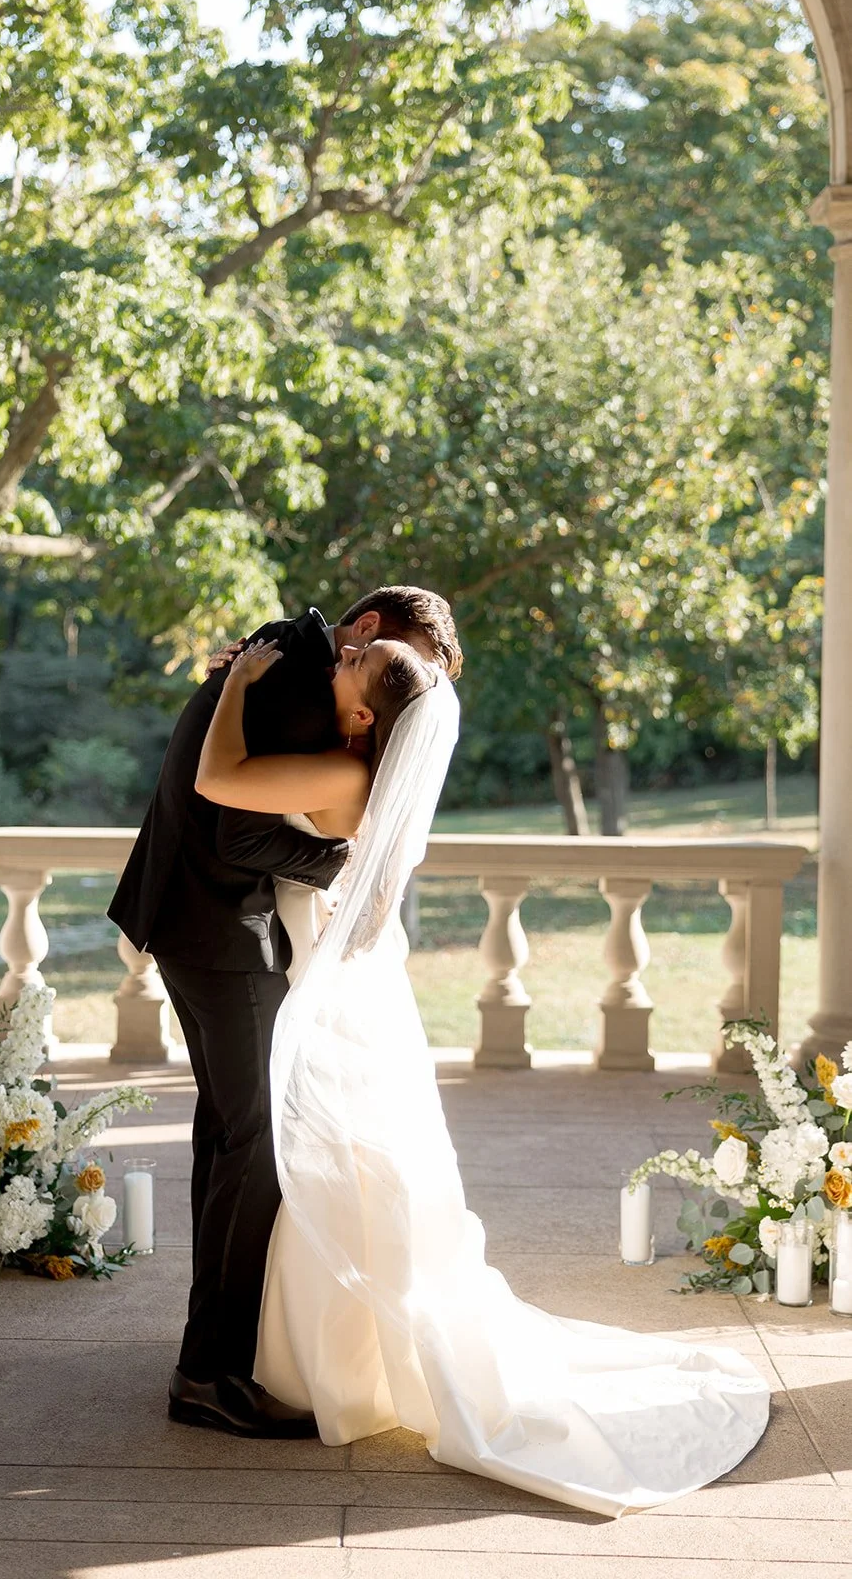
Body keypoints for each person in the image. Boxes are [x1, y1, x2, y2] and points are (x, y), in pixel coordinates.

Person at [198, 643, 771, 1518]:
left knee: (344, 1151)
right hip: (342, 965)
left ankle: (338, 1364)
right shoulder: (366, 772)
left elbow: (217, 780)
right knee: (351, 1150)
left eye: (356, 660)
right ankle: (328, 1354)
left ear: (365, 715)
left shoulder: (343, 776)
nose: (341, 653)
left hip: (326, 970)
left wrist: (236, 684)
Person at [107, 586, 462, 1440]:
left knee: (232, 1132)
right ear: (367, 628)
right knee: (255, 1139)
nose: (363, 672)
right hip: (220, 934)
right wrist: (349, 865)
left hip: (202, 925)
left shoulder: (286, 655)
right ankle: (209, 1372)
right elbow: (236, 831)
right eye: (380, 659)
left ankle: (212, 1343)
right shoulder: (294, 684)